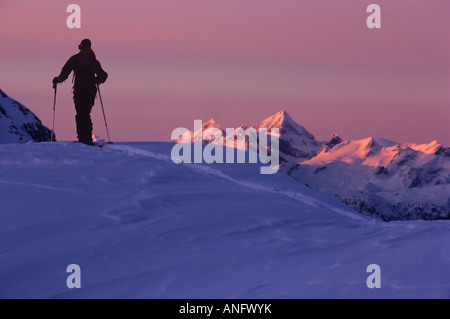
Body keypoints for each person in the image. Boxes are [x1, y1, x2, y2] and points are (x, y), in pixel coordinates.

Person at [52, 39, 108, 145]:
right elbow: (103, 76)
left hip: (79, 90)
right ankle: (87, 137)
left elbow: (64, 73)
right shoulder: (93, 60)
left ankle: (82, 137)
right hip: (90, 90)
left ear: (81, 47)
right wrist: (95, 81)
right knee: (86, 113)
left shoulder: (75, 59)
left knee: (80, 114)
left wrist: (56, 80)